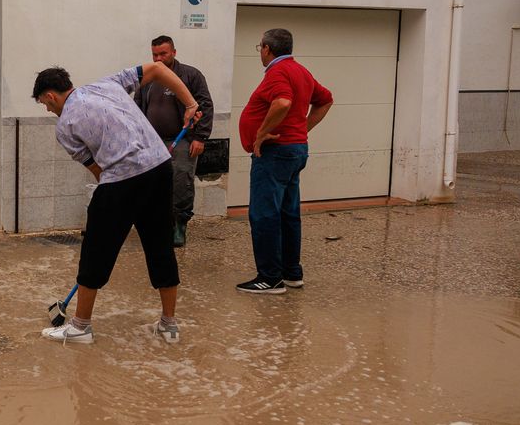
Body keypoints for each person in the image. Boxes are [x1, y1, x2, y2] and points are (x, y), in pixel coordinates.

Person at [34, 64, 200, 344]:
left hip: (121, 179)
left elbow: (98, 170)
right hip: (160, 168)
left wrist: (115, 203)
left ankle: (80, 326)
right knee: (160, 246)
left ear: (51, 96)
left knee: (95, 251)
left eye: (44, 105)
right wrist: (191, 104)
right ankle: (169, 325)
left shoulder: (65, 126)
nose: (48, 111)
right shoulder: (108, 84)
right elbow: (157, 68)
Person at [236, 28, 333, 295]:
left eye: (260, 48)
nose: (260, 53)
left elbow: (281, 102)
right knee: (288, 214)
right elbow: (325, 100)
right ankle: (291, 273)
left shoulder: (278, 73)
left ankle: (269, 278)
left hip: (275, 153)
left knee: (264, 214)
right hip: (294, 150)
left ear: (267, 48)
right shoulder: (300, 70)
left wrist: (261, 134)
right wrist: (302, 129)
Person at [136, 35, 214, 248]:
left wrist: (200, 137)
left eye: (163, 53)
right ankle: (161, 225)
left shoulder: (190, 75)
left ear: (174, 52)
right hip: (153, 142)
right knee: (154, 184)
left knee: (181, 182)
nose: (159, 58)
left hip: (182, 141)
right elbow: (137, 107)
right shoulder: (148, 78)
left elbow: (205, 106)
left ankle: (180, 225)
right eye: (155, 54)